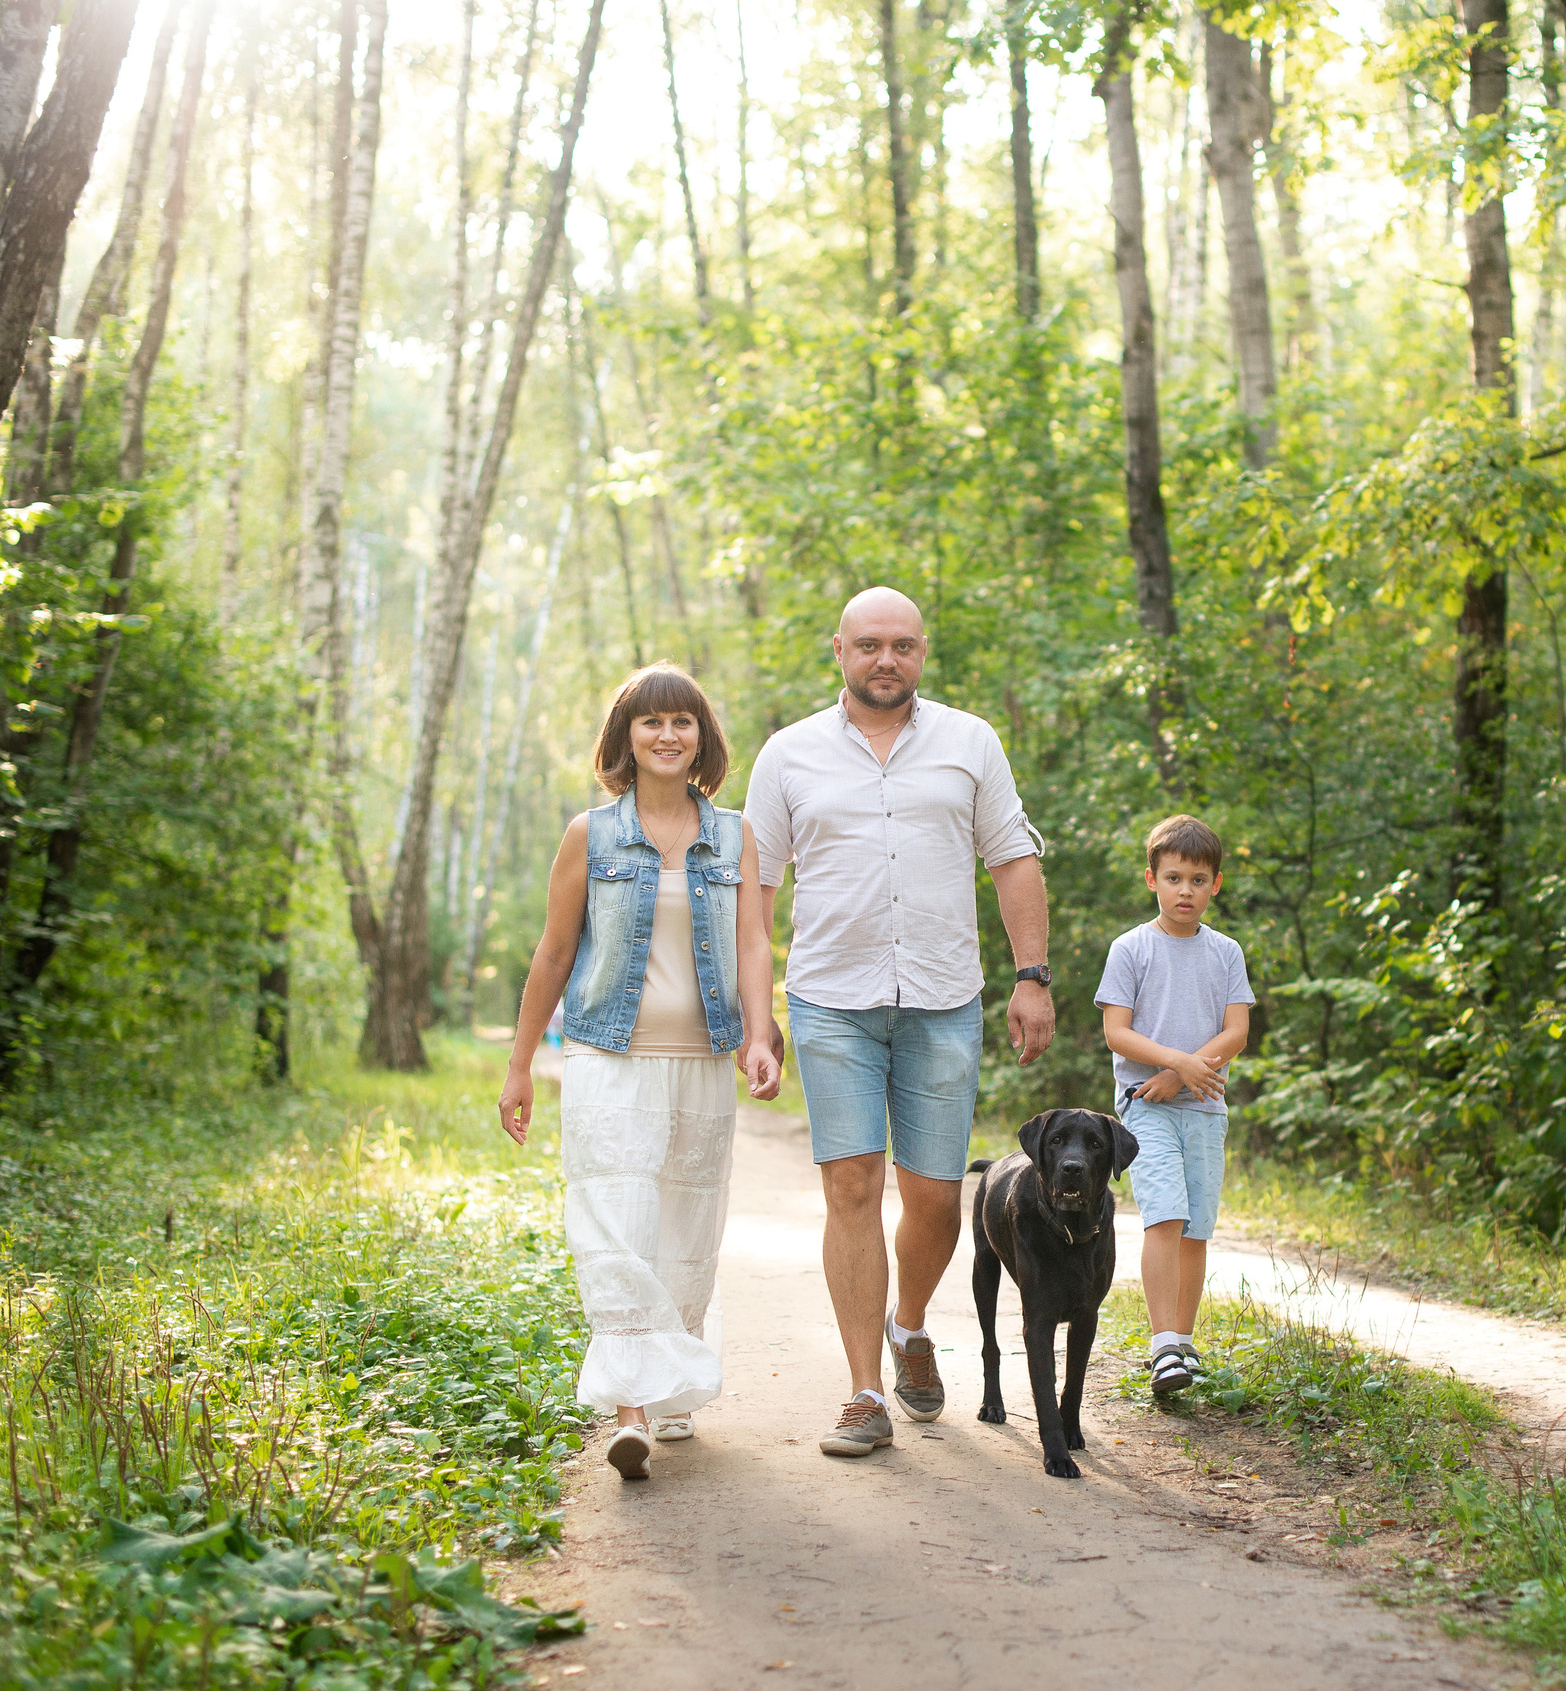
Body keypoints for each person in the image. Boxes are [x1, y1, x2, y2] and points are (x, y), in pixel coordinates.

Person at [743, 586, 1055, 1459]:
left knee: (934, 1197)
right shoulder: (788, 754)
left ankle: (909, 1324)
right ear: (837, 649)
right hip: (830, 1000)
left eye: (905, 646)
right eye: (870, 644)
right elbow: (755, 894)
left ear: (923, 652)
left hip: (943, 1000)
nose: (888, 659)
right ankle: (862, 1391)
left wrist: (1032, 976)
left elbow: (1014, 859)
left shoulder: (970, 743)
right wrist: (756, 1014)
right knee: (850, 1189)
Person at [498, 662, 782, 1481]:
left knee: (688, 1227)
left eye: (682, 722)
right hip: (605, 1056)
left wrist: (760, 1035)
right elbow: (554, 951)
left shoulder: (732, 835)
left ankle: (670, 1378)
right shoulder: (591, 833)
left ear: (703, 738)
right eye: (651, 721)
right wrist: (521, 1064)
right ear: (626, 736)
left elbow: (753, 943)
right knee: (617, 1219)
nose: (667, 735)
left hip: (702, 1055)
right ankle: (631, 1413)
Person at [1094, 815, 1253, 1396]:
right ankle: (1161, 1346)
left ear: (1216, 885)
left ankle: (1184, 1344)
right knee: (1163, 1214)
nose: (1185, 890)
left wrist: (1184, 1072)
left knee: (1194, 1227)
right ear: (1151, 880)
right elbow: (1117, 1032)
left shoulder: (1226, 952)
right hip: (1146, 1109)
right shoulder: (1131, 948)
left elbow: (1236, 1031)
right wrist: (1174, 1067)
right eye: (1174, 877)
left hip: (1204, 1109)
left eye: (1198, 879)